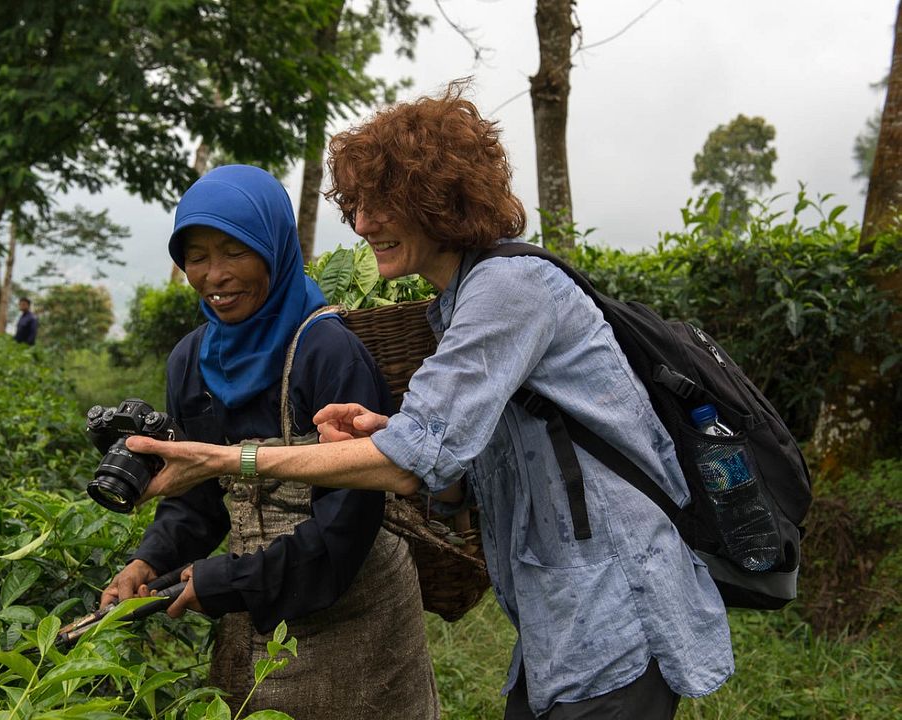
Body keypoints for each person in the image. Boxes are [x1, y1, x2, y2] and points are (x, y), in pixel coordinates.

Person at [123, 85, 736, 719]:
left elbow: (406, 466)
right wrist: (391, 433)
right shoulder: (457, 305)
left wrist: (228, 460)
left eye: (383, 205)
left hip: (618, 604)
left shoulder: (509, 291)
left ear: (439, 200)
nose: (363, 225)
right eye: (357, 207)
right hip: (558, 617)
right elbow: (461, 461)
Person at [99, 164, 439, 719]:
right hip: (253, 612)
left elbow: (346, 526)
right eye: (196, 257)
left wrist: (225, 581)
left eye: (235, 251)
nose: (214, 275)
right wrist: (148, 561)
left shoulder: (327, 352)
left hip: (355, 619)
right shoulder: (190, 361)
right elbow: (199, 499)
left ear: (274, 249)